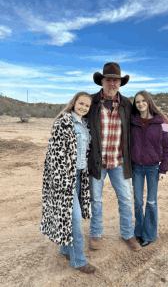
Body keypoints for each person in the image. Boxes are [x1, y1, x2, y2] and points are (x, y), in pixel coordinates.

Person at [86, 62, 142, 252]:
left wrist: (161, 119)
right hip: (97, 162)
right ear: (102, 82)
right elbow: (75, 114)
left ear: (120, 83)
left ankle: (127, 234)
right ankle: (95, 233)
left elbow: (142, 119)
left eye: (115, 80)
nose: (112, 84)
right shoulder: (91, 102)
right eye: (108, 80)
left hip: (119, 161)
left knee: (126, 199)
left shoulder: (127, 104)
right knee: (96, 199)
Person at [40, 92, 96, 274]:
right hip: (65, 180)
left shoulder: (85, 125)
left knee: (68, 217)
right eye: (81, 104)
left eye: (87, 106)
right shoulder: (62, 123)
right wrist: (61, 181)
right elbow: (53, 155)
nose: (84, 108)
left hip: (79, 177)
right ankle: (79, 260)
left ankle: (65, 249)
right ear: (74, 103)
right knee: (75, 219)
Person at [131, 90, 168, 247]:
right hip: (137, 168)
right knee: (137, 202)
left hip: (153, 168)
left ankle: (149, 234)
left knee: (151, 202)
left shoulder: (163, 122)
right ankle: (138, 232)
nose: (140, 104)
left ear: (149, 102)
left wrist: (163, 169)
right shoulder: (133, 121)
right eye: (137, 102)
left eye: (143, 101)